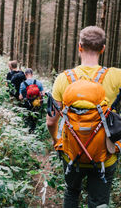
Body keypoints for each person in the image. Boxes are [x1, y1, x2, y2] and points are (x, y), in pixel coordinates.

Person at [46, 26, 121, 208]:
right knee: (99, 202)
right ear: (103, 48)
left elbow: (51, 121)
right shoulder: (117, 76)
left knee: (71, 193)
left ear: (79, 47)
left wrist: (57, 141)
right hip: (106, 154)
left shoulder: (64, 78)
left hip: (72, 153)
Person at [19, 68, 45, 133]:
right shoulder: (38, 83)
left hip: (27, 104)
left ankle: (27, 130)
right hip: (36, 104)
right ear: (32, 74)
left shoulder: (23, 84)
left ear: (25, 75)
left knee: (27, 117)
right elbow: (43, 94)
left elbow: (20, 97)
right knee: (35, 117)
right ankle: (34, 130)